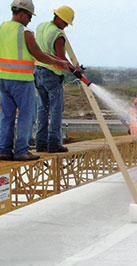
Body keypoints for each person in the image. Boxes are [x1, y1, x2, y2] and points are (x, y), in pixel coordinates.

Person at [0, 0, 70, 161]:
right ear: (22, 13)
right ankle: (21, 151)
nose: (30, 19)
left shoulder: (2, 27)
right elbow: (39, 55)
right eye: (30, 16)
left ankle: (4, 150)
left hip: (3, 79)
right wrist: (60, 63)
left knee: (7, 115)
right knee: (27, 115)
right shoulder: (25, 32)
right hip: (22, 80)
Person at [34, 6, 75, 153]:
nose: (65, 26)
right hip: (51, 75)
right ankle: (54, 144)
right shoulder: (58, 35)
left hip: (38, 72)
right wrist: (75, 70)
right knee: (56, 109)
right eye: (65, 23)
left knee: (42, 109)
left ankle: (41, 143)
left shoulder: (41, 27)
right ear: (58, 18)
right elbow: (61, 59)